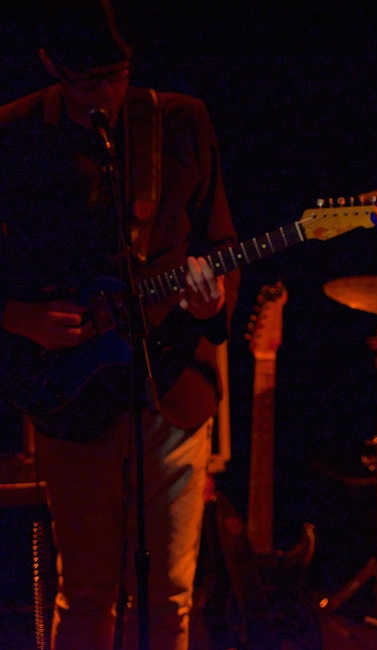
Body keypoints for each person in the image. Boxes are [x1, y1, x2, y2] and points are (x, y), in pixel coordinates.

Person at [0, 2, 238, 648]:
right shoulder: (14, 132)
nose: (105, 92)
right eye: (87, 80)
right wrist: (19, 317)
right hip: (69, 396)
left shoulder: (179, 120)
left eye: (117, 74)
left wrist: (212, 302)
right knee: (85, 593)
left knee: (170, 597)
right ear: (50, 64)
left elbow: (220, 242)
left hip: (173, 383)